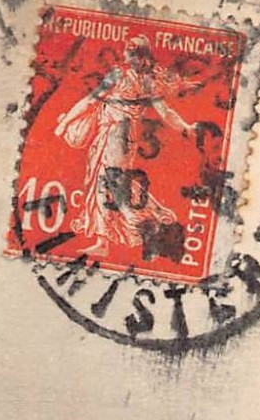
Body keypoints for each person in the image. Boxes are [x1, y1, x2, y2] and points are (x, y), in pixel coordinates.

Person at [51, 36, 197, 257]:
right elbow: (166, 113)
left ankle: (147, 225)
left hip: (115, 134)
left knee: (110, 183)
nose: (129, 57)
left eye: (131, 53)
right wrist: (185, 127)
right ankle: (108, 239)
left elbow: (90, 100)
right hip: (121, 135)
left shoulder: (122, 76)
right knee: (109, 182)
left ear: (136, 56)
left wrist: (63, 123)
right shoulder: (148, 81)